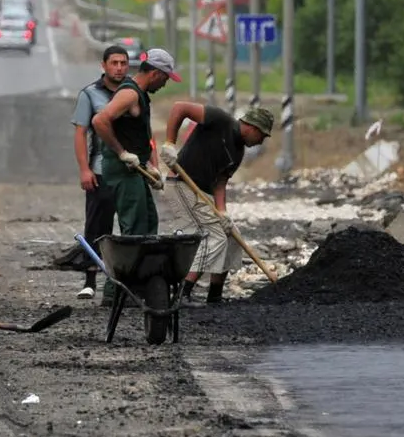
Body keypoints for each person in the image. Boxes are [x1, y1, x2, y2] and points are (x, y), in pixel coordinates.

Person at [158, 101, 274, 305]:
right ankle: (182, 293)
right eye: (261, 135)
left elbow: (221, 182)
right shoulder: (220, 120)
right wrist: (169, 143)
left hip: (203, 193)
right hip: (181, 185)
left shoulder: (238, 152)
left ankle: (215, 295)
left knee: (230, 234)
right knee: (214, 236)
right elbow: (179, 108)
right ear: (252, 127)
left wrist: (223, 212)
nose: (261, 141)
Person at [89, 48, 178, 299]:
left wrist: (153, 164)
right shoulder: (129, 93)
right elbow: (99, 121)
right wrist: (121, 152)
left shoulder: (141, 96)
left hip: (135, 168)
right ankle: (116, 292)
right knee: (135, 230)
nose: (166, 83)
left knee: (149, 224)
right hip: (123, 169)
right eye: (166, 77)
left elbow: (143, 133)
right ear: (155, 74)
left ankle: (139, 285)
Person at [66, 44, 131, 299]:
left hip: (129, 171)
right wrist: (84, 169)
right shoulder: (90, 95)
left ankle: (126, 281)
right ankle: (90, 279)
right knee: (97, 227)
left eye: (123, 63)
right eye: (114, 63)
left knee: (130, 227)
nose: (119, 68)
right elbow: (80, 133)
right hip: (101, 170)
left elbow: (144, 134)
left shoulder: (134, 93)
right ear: (103, 66)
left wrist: (152, 164)